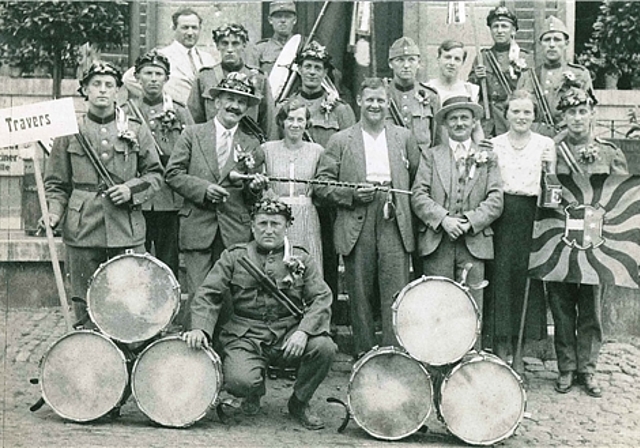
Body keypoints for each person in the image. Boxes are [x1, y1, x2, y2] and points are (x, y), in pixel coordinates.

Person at [182, 198, 336, 430]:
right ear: (252, 227)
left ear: (286, 227)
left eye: (275, 224)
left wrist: (304, 331)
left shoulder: (301, 258)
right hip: (245, 335)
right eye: (262, 223)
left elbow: (321, 298)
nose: (268, 230)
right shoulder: (234, 257)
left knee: (324, 348)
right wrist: (199, 327)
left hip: (289, 333)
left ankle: (299, 402)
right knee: (239, 381)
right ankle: (252, 391)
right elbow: (208, 293)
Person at [43, 61, 163, 322]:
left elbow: (155, 174)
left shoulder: (135, 129)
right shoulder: (69, 131)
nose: (102, 90)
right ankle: (89, 351)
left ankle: (129, 350)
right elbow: (56, 183)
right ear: (84, 90)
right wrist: (53, 213)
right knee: (83, 297)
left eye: (109, 85)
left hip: (126, 228)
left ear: (118, 91)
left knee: (131, 296)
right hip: (82, 227)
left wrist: (131, 190)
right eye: (96, 84)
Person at [314, 78, 420, 356]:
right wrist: (350, 196)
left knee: (394, 288)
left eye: (380, 100)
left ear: (388, 103)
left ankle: (392, 353)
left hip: (393, 216)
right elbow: (321, 184)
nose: (375, 105)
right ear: (359, 102)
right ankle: (364, 354)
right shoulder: (341, 139)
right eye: (370, 100)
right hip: (356, 217)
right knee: (359, 292)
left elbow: (418, 179)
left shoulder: (403, 137)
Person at [165, 72, 268, 327]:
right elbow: (173, 174)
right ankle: (195, 356)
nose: (235, 106)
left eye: (242, 102)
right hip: (198, 227)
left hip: (235, 229)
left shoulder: (253, 143)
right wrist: (204, 189)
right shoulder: (192, 134)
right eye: (230, 98)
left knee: (232, 295)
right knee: (200, 293)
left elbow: (251, 192)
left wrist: (254, 188)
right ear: (217, 101)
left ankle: (228, 357)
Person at [549, 87, 628, 397]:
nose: (577, 118)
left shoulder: (609, 152)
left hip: (596, 242)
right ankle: (566, 367)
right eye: (571, 112)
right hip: (561, 238)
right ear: (563, 117)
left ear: (592, 114)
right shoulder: (552, 151)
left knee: (591, 307)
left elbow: (620, 199)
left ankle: (588, 368)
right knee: (561, 304)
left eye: (583, 111)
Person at [411, 95, 503, 332]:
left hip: (473, 243)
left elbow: (496, 200)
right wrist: (443, 219)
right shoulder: (431, 156)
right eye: (453, 118)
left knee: (470, 308)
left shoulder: (488, 157)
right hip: (438, 242)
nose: (459, 123)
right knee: (437, 307)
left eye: (465, 118)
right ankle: (436, 361)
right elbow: (418, 195)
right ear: (445, 123)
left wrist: (468, 222)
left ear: (474, 123)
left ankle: (468, 363)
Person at [286, 41, 356, 325]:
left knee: (326, 257)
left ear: (326, 72)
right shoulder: (286, 105)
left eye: (318, 67)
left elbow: (352, 152)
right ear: (299, 69)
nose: (312, 72)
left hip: (329, 198)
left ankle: (324, 319)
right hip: (297, 196)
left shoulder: (340, 109)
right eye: (308, 67)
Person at [484, 90, 555, 367]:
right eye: (516, 111)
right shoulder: (494, 145)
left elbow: (552, 184)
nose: (521, 117)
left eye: (527, 112)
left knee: (529, 283)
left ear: (534, 115)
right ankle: (502, 353)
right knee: (501, 282)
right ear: (507, 113)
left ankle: (520, 357)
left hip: (533, 217)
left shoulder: (545, 144)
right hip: (502, 216)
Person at [121, 50, 194, 278]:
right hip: (137, 196)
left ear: (166, 79)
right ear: (138, 78)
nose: (153, 78)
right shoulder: (125, 112)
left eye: (158, 74)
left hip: (169, 198)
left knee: (167, 259)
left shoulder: (179, 112)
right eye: (148, 73)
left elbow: (193, 150)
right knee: (135, 258)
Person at [262, 99, 324, 271]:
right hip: (275, 216)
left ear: (307, 123)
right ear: (282, 122)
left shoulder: (317, 151)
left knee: (307, 267)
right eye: (290, 119)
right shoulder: (267, 150)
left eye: (300, 120)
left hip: (306, 216)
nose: (295, 125)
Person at [187, 23, 275, 141]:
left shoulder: (258, 78)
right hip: (212, 142)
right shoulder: (205, 77)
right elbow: (194, 118)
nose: (229, 49)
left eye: (235, 44)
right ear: (217, 46)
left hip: (247, 144)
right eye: (224, 43)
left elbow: (267, 120)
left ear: (244, 45)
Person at [517, 16, 594, 134]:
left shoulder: (580, 75)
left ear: (566, 43)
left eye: (557, 39)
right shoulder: (528, 76)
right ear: (540, 43)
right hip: (534, 138)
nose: (552, 44)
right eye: (547, 40)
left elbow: (590, 113)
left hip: (567, 138)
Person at [122, 8, 216, 104]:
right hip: (173, 114)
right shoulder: (162, 55)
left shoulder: (208, 59)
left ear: (200, 29)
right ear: (174, 28)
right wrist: (159, 98)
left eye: (194, 28)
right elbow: (128, 79)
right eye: (185, 27)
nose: (190, 33)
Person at [469, 6, 534, 137]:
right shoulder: (483, 57)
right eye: (495, 26)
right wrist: (476, 78)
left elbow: (527, 91)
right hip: (488, 120)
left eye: (504, 26)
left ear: (513, 30)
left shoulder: (523, 57)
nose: (499, 31)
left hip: (510, 119)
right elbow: (471, 91)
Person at [385, 36, 440, 152]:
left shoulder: (431, 96)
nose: (406, 65)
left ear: (419, 63)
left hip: (422, 164)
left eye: (411, 60)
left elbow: (438, 141)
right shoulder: (382, 94)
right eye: (400, 60)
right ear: (390, 64)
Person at [427, 40, 484, 144]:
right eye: (447, 57)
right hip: (436, 150)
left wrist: (482, 154)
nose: (451, 63)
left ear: (462, 63)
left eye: (457, 59)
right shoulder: (427, 89)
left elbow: (476, 128)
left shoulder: (469, 90)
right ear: (438, 59)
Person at [248, 1, 300, 75]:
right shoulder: (259, 49)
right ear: (270, 20)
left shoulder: (302, 46)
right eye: (278, 16)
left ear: (295, 20)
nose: (283, 20)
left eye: (287, 16)